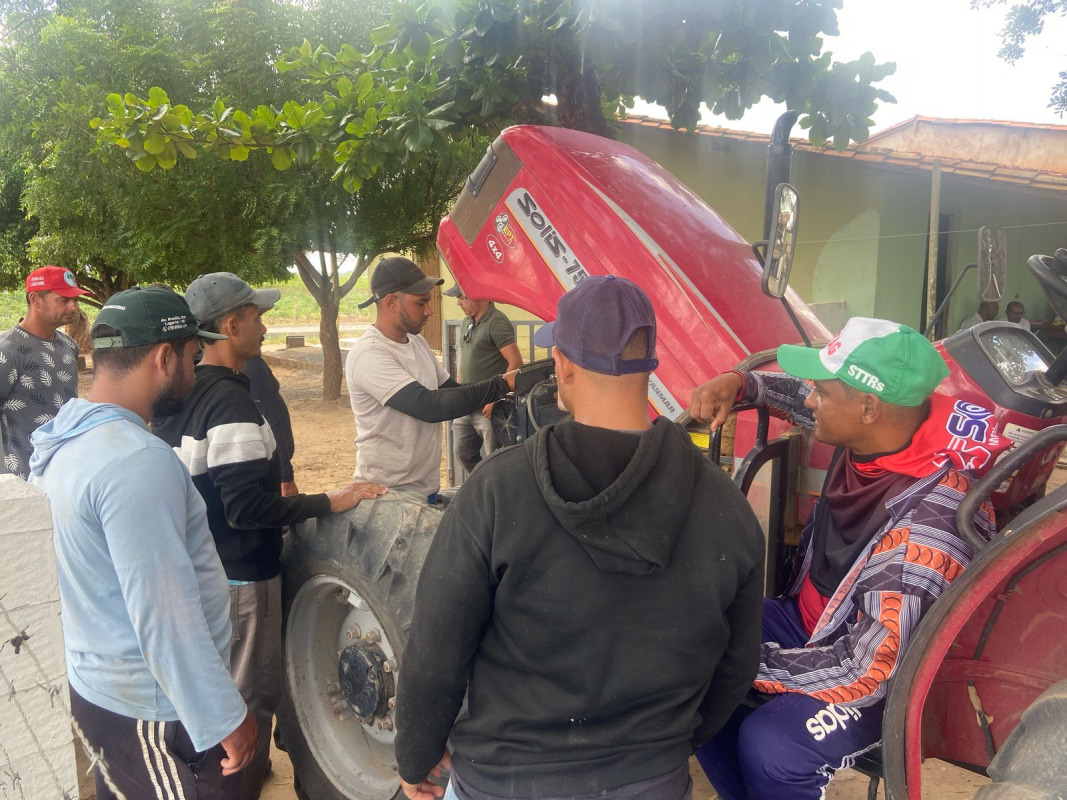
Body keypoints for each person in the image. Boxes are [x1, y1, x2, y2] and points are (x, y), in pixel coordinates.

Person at [394, 275, 766, 800]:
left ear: (564, 367)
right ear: (650, 366)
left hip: (505, 780)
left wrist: (415, 755)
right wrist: (663, 750)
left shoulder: (498, 489)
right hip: (651, 782)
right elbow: (736, 666)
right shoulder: (727, 505)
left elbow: (436, 650)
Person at [687, 317, 1009, 800]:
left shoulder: (928, 529)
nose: (810, 399)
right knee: (688, 659)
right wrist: (740, 383)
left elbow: (869, 668)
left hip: (888, 672)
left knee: (774, 747)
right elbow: (801, 396)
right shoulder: (882, 428)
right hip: (814, 625)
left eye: (822, 391)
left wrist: (745, 662)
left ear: (868, 407)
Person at [152, 272, 387, 800]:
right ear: (231, 325)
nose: (264, 326)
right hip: (242, 579)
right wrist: (329, 502)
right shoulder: (230, 402)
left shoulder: (179, 396)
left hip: (204, 570)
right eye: (257, 317)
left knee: (213, 700)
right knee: (246, 708)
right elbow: (246, 509)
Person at [29, 286, 257, 799]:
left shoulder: (66, 440)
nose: (195, 373)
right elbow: (165, 616)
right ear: (163, 357)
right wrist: (222, 715)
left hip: (102, 687)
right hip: (155, 709)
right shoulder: (136, 462)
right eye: (193, 358)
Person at [346, 257, 514, 501]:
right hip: (387, 494)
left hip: (424, 490)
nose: (429, 311)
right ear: (391, 302)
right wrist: (502, 383)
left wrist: (509, 397)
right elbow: (429, 406)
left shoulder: (416, 342)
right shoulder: (369, 353)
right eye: (421, 303)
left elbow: (452, 391)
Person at [0, 265, 91, 477]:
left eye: (75, 300)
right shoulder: (8, 352)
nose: (73, 307)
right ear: (35, 299)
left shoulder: (68, 346)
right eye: (63, 300)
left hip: (67, 472)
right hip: (25, 477)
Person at [443, 284, 523, 475]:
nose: (458, 302)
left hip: (489, 407)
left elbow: (516, 363)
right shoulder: (467, 321)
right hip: (467, 401)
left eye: (462, 297)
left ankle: (496, 492)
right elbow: (467, 358)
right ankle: (482, 486)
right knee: (463, 453)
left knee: (495, 458)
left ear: (479, 296)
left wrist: (498, 399)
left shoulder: (497, 322)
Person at [244, 356, 299, 495]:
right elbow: (271, 421)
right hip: (270, 470)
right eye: (256, 331)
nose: (263, 332)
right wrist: (286, 477)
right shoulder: (253, 365)